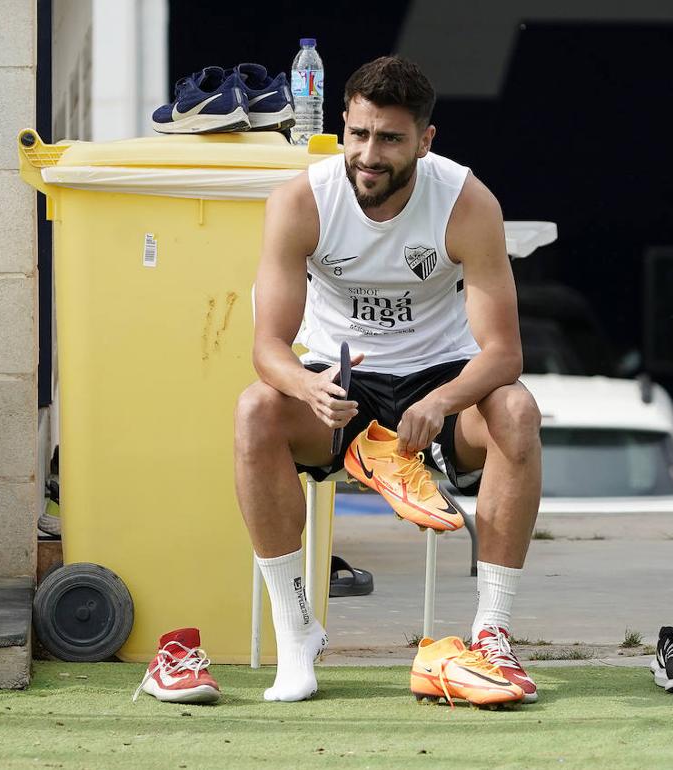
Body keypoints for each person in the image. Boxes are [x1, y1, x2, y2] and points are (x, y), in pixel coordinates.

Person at [234, 55, 542, 704]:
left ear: (425, 142)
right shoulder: (301, 200)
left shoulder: (465, 201)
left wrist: (442, 400)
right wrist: (303, 385)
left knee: (515, 409)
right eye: (360, 134)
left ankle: (492, 635)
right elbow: (267, 346)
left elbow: (504, 353)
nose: (369, 155)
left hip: (440, 384)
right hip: (341, 386)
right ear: (344, 124)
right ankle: (298, 634)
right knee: (256, 408)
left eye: (391, 139)